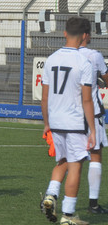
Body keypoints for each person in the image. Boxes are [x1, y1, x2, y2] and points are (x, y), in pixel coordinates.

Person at [40, 17, 96, 225]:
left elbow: (44, 98)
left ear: (64, 33)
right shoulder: (83, 62)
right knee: (75, 165)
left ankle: (50, 194)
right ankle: (69, 215)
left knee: (62, 161)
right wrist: (93, 130)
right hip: (74, 122)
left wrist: (47, 123)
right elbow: (87, 99)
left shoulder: (51, 58)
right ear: (84, 36)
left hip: (55, 120)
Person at [79, 18, 108, 214]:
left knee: (68, 159)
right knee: (96, 154)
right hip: (92, 113)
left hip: (70, 114)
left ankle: (51, 194)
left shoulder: (60, 55)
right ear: (86, 35)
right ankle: (93, 204)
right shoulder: (94, 55)